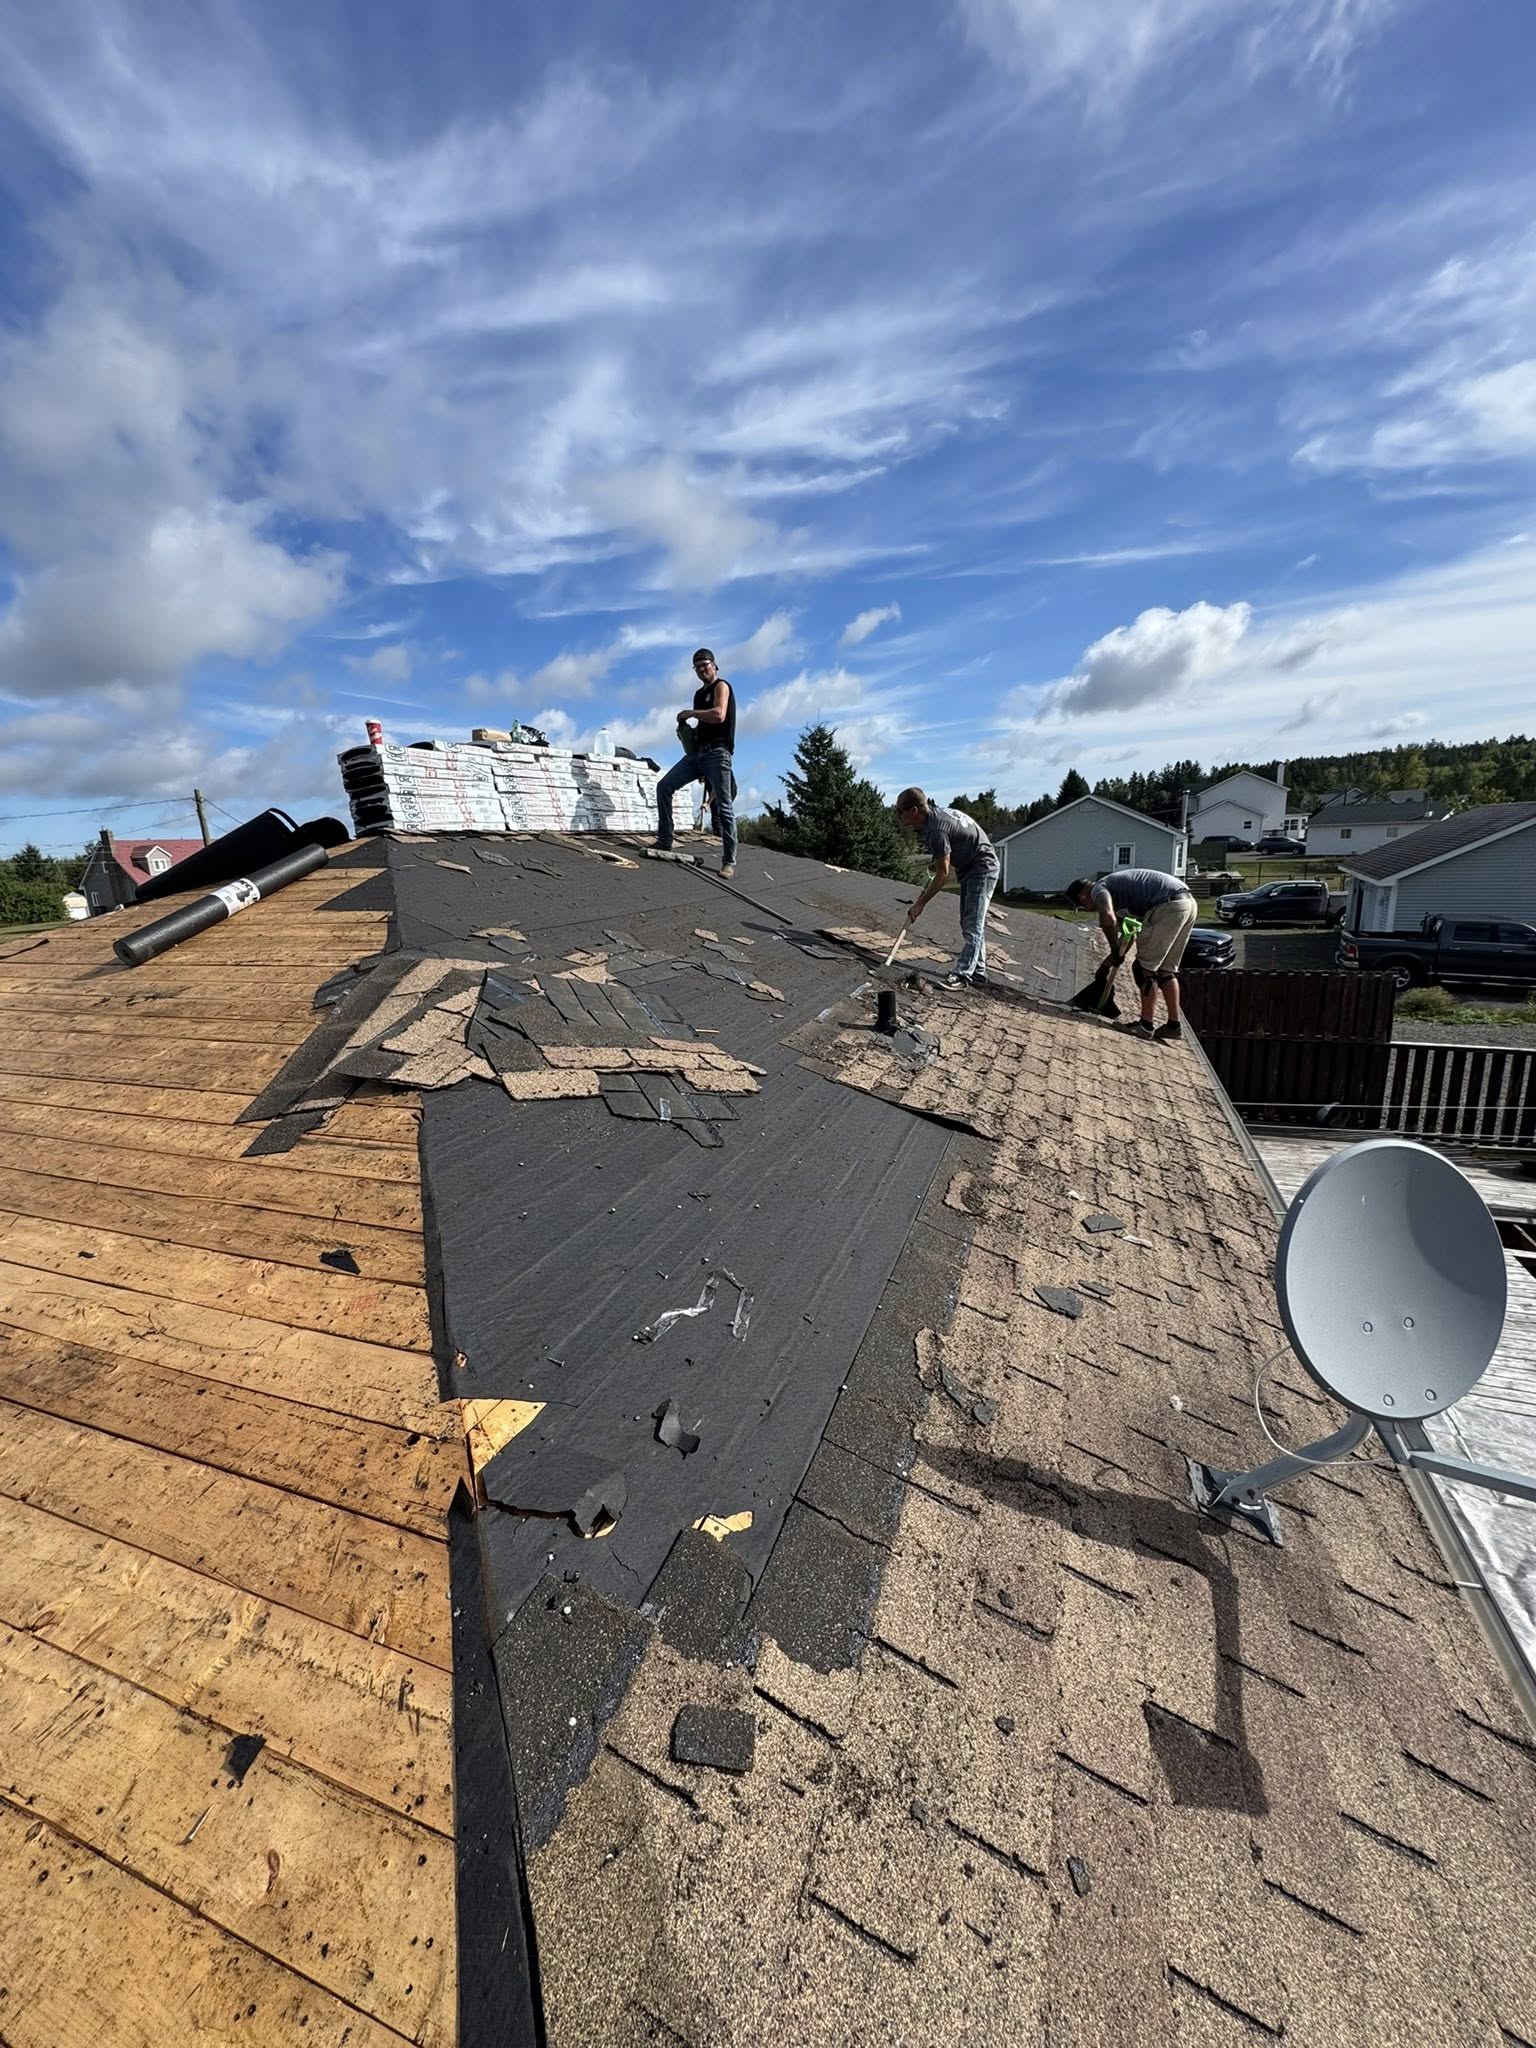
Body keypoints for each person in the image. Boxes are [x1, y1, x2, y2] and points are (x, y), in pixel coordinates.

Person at [1065, 868, 1197, 1041]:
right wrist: (1107, 963)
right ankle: (1173, 1026)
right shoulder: (1119, 894)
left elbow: (1107, 918)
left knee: (1143, 969)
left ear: (1083, 896)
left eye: (1083, 906)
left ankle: (1145, 1026)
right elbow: (1129, 936)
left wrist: (1113, 949)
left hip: (1168, 906)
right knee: (1166, 971)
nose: (1087, 909)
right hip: (1187, 904)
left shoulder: (1099, 889)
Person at [895, 788, 999, 989]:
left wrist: (920, 903)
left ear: (914, 810)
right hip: (971, 867)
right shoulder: (935, 818)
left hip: (982, 867)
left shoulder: (936, 830)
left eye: (900, 811)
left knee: (972, 923)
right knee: (969, 922)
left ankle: (962, 975)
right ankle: (978, 972)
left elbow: (943, 875)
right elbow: (941, 865)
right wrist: (927, 887)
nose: (899, 815)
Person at [654, 648, 737, 876]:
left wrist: (690, 713)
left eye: (705, 665)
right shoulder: (699, 694)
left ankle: (729, 861)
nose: (701, 670)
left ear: (714, 665)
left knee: (724, 806)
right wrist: (688, 734)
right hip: (697, 755)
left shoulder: (722, 686)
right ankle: (665, 840)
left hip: (718, 754)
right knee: (664, 786)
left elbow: (719, 715)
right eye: (697, 667)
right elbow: (703, 724)